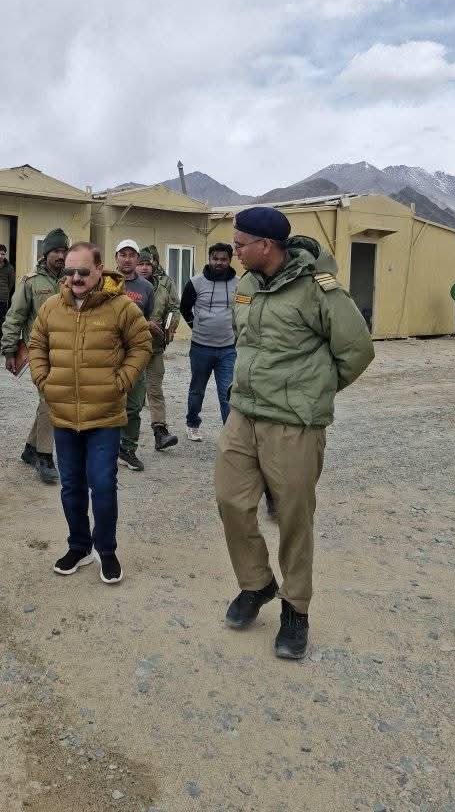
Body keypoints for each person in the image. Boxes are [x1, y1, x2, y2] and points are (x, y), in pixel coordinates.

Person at [214, 207, 374, 660]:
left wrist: (314, 391)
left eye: (241, 244)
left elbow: (357, 350)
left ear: (267, 245)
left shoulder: (318, 289)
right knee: (231, 501)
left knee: (293, 518)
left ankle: (295, 609)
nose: (235, 251)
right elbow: (244, 341)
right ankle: (257, 584)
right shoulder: (246, 285)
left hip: (293, 424)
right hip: (243, 414)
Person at [28, 242, 152, 584]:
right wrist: (44, 380)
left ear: (100, 270)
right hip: (64, 415)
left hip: (105, 417)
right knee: (71, 487)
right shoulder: (52, 307)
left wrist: (122, 381)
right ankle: (79, 547)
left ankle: (107, 550)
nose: (76, 278)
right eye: (70, 272)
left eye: (84, 271)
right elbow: (37, 343)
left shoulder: (121, 307)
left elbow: (142, 345)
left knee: (103, 484)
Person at [2, 228, 69, 483]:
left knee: (48, 401)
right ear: (46, 253)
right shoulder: (31, 283)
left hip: (65, 351)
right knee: (50, 399)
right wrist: (9, 350)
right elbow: (15, 316)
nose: (61, 256)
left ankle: (30, 449)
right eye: (56, 251)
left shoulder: (71, 280)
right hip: (38, 352)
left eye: (64, 251)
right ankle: (44, 456)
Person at [180, 242, 238, 441]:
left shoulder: (239, 283)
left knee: (227, 392)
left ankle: (230, 434)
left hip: (228, 349)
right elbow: (184, 307)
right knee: (197, 389)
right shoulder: (196, 282)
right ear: (209, 259)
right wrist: (195, 326)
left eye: (223, 259)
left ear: (230, 261)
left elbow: (243, 311)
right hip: (200, 347)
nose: (219, 263)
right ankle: (192, 424)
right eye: (215, 259)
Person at [114, 240, 155, 471]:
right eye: (123, 254)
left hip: (135, 353)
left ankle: (128, 449)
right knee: (107, 402)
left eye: (132, 255)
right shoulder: (105, 283)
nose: (127, 258)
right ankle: (104, 447)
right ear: (116, 257)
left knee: (134, 404)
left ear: (137, 259)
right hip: (109, 353)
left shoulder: (146, 288)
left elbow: (147, 317)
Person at [136, 250, 180, 450]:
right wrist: (146, 323)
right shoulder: (125, 284)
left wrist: (171, 324)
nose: (144, 267)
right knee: (127, 394)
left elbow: (173, 307)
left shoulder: (163, 285)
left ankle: (160, 432)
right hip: (130, 349)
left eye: (148, 264)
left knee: (155, 390)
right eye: (141, 263)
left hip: (154, 346)